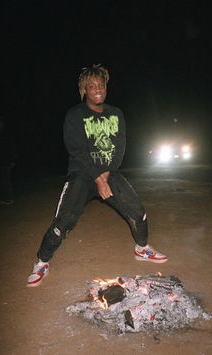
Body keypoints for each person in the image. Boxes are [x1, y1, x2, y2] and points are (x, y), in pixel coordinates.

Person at [27, 64, 168, 287]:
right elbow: (77, 151)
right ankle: (42, 261)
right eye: (91, 86)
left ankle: (142, 249)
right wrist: (98, 179)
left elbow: (119, 149)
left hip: (109, 172)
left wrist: (106, 176)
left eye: (101, 85)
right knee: (63, 221)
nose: (97, 89)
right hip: (81, 174)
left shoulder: (116, 114)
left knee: (138, 212)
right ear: (84, 90)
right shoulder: (75, 115)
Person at [0, 115, 17, 205]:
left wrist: (13, 160)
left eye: (0, 122)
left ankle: (8, 198)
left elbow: (12, 148)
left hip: (6, 161)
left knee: (6, 180)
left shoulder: (7, 134)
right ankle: (0, 199)